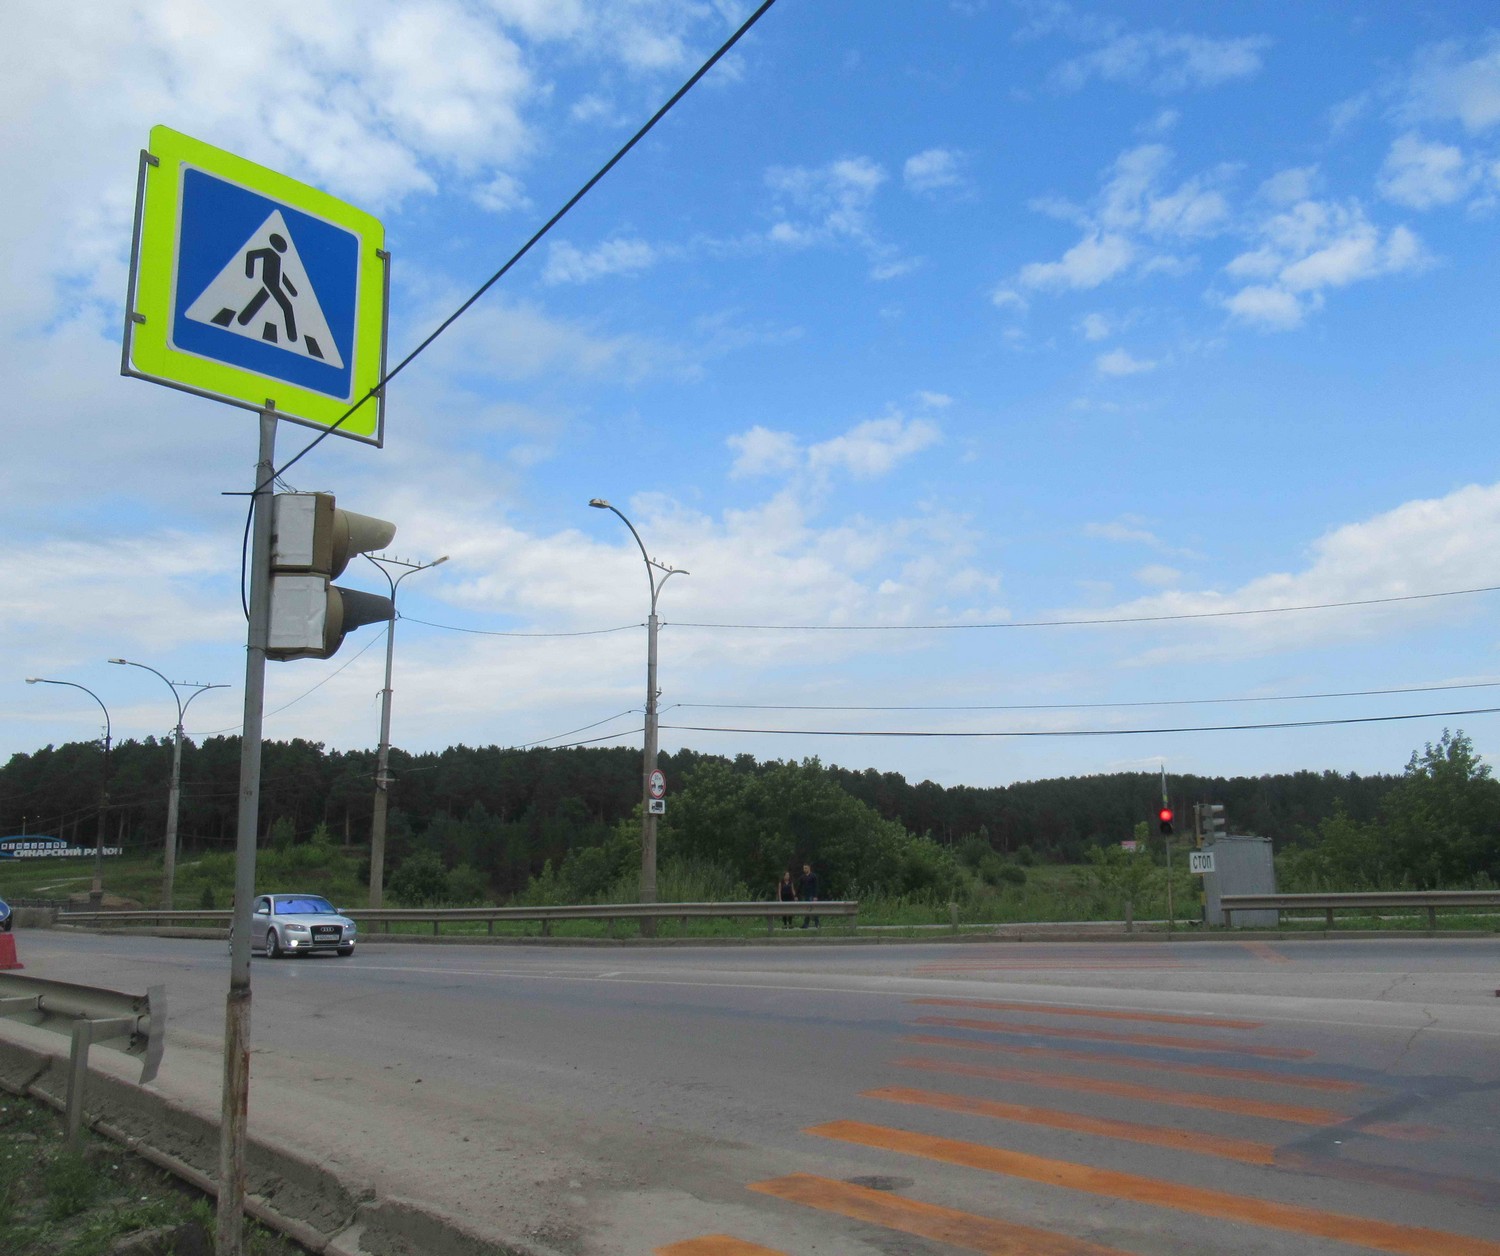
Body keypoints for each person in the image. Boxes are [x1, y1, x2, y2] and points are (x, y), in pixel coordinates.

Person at [798, 862, 820, 929]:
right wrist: (796, 895)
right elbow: (800, 886)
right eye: (803, 868)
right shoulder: (802, 877)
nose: (804, 869)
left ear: (809, 868)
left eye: (806, 868)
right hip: (805, 895)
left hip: (812, 895)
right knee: (806, 910)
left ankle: (817, 923)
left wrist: (815, 896)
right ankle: (806, 924)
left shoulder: (813, 876)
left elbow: (816, 886)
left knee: (813, 909)